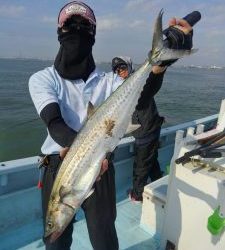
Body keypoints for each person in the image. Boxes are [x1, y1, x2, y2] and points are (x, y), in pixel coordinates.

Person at [28, 1, 194, 249]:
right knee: (56, 242)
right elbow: (55, 124)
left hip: (102, 166)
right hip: (58, 170)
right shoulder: (42, 79)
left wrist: (160, 65)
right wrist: (82, 153)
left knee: (105, 238)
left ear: (93, 34)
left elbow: (143, 95)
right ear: (59, 31)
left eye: (84, 27)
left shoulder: (110, 82)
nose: (77, 31)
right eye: (70, 26)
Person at [111, 56, 165, 203]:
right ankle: (158, 181)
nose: (120, 71)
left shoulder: (141, 81)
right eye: (116, 70)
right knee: (150, 159)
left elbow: (153, 82)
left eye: (122, 67)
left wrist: (161, 66)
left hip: (146, 131)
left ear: (129, 66)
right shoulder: (124, 86)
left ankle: (137, 195)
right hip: (149, 129)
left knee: (140, 167)